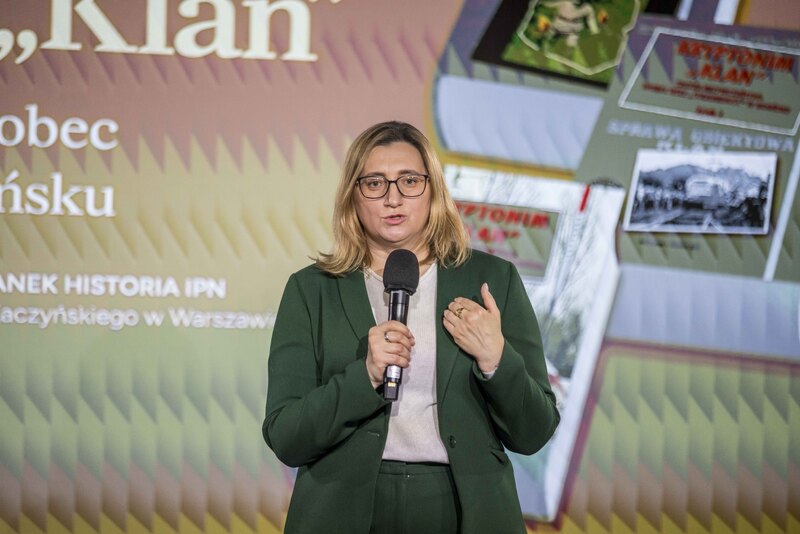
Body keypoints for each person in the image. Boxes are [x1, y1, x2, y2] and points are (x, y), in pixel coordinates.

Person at [263, 121, 559, 533]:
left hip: (465, 509)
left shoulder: (492, 280)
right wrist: (364, 376)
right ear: (353, 195)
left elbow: (534, 432)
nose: (393, 198)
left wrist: (496, 360)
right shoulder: (312, 289)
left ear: (433, 190)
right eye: (374, 183)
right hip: (343, 510)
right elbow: (286, 436)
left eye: (409, 181)